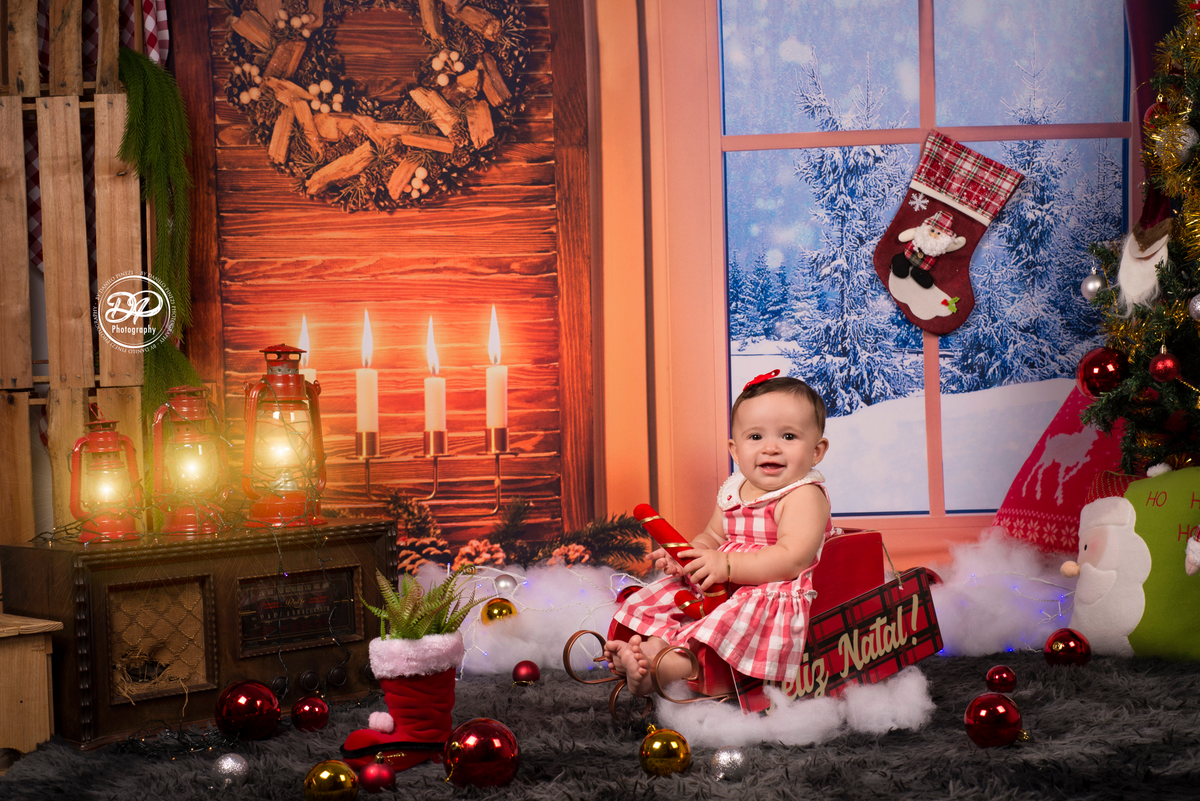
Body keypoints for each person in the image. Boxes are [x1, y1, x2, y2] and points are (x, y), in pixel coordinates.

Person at [605, 369, 833, 697]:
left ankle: (675, 667)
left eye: (788, 437)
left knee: (731, 618)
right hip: (722, 582)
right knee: (675, 597)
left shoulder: (804, 496)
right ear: (735, 450)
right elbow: (712, 535)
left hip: (765, 588)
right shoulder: (735, 490)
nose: (770, 448)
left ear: (816, 450)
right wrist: (690, 557)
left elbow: (792, 559)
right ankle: (652, 653)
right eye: (756, 437)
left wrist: (726, 566)